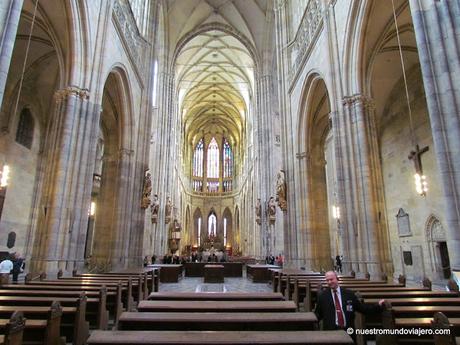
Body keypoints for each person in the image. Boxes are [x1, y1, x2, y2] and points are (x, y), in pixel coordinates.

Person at [314, 271, 384, 332]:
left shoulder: (349, 294)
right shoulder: (323, 296)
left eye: (331, 279)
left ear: (337, 279)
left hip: (348, 331)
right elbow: (317, 314)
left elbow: (363, 308)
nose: (329, 282)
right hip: (331, 332)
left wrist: (378, 306)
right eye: (327, 280)